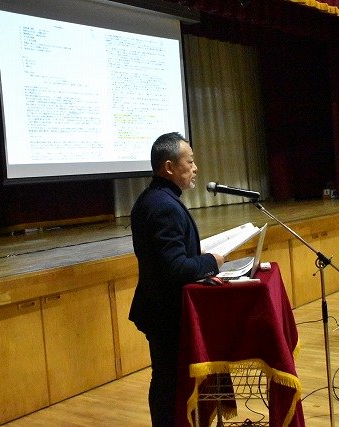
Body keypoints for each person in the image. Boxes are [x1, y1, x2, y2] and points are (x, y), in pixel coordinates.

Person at [129, 132, 224, 426]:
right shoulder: (164, 206)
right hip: (167, 313)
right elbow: (175, 268)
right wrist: (212, 261)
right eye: (190, 162)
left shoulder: (153, 198)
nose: (195, 168)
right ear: (169, 167)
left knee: (165, 381)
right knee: (168, 385)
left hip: (160, 309)